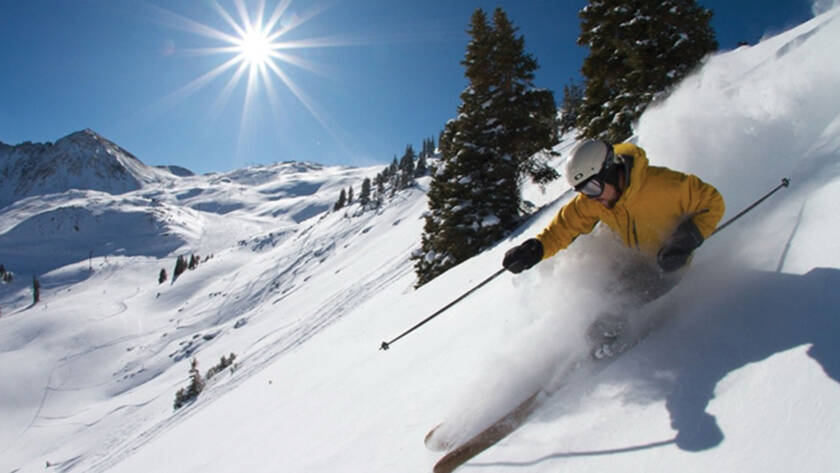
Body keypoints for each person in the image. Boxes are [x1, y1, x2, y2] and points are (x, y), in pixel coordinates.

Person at [503, 139, 725, 357]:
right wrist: (536, 248)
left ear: (609, 172)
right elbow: (565, 227)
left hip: (668, 264)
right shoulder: (595, 199)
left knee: (612, 310)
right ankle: (593, 340)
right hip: (635, 260)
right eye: (583, 191)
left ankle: (616, 349)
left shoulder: (664, 185)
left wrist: (683, 242)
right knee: (597, 293)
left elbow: (712, 203)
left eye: (592, 187)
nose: (591, 197)